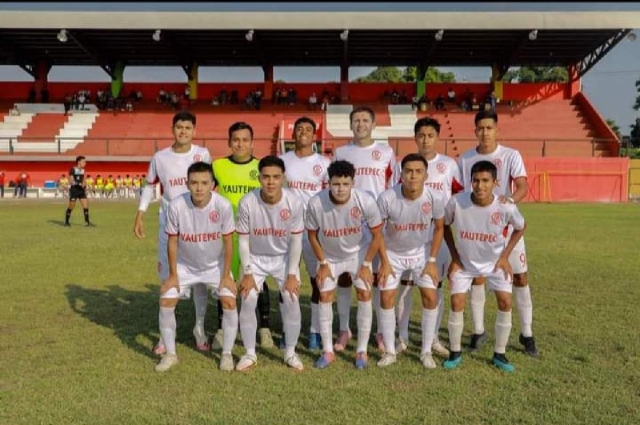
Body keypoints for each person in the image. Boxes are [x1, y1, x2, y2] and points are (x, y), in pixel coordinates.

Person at [458, 109, 538, 357]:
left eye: (489, 128)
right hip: (479, 231)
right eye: (480, 128)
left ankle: (527, 334)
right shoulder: (465, 159)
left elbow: (523, 186)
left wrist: (508, 202)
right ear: (475, 131)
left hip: (506, 227)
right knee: (477, 277)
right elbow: (464, 194)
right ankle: (478, 331)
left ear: (497, 129)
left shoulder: (511, 155)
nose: (484, 132)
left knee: (520, 278)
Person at [133, 111, 213, 355]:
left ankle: (199, 329)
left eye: (188, 127)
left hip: (197, 226)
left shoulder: (203, 154)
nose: (183, 131)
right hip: (168, 226)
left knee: (200, 279)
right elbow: (150, 186)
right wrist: (140, 213)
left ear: (194, 131)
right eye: (179, 127)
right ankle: (164, 336)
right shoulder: (160, 157)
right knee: (168, 278)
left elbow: (210, 186)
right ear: (173, 129)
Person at [154, 161, 238, 372]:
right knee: (166, 301)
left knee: (229, 301)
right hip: (185, 266)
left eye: (204, 183)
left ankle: (227, 354)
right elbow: (172, 242)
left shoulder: (223, 206)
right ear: (187, 183)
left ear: (212, 184)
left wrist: (227, 274)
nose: (199, 187)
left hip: (214, 266)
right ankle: (171, 354)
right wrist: (173, 275)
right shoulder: (176, 206)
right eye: (194, 183)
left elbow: (229, 242)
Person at [442, 160, 526, 372]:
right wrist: (454, 257)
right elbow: (444, 226)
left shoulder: (506, 205)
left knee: (505, 302)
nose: (480, 186)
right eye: (476, 181)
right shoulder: (456, 202)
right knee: (457, 302)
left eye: (485, 181)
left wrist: (505, 256)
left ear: (495, 183)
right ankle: (455, 351)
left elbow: (520, 227)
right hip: (464, 263)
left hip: (496, 262)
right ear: (471, 182)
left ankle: (500, 353)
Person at [305, 160, 389, 370]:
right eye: (336, 184)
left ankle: (361, 350)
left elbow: (377, 235)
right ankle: (328, 351)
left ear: (353, 182)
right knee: (325, 295)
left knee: (364, 293)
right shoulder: (316, 203)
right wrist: (322, 263)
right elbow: (313, 236)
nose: (340, 188)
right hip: (330, 257)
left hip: (358, 253)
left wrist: (367, 264)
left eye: (345, 184)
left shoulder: (365, 201)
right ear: (328, 183)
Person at [393, 117, 463, 358]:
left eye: (430, 135)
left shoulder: (449, 164)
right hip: (406, 235)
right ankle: (401, 337)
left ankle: (432, 338)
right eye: (421, 135)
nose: (425, 139)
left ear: (437, 137)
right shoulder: (403, 164)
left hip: (436, 234)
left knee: (435, 286)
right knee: (405, 288)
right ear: (415, 138)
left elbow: (457, 197)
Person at [333, 106, 396, 352]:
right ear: (351, 125)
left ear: (374, 124)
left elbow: (393, 186)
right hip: (350, 223)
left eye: (364, 120)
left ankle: (380, 331)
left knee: (379, 278)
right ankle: (345, 329)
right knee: (347, 277)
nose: (360, 124)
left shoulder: (386, 152)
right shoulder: (341, 152)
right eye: (356, 120)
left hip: (378, 224)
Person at [235, 156, 305, 371]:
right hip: (255, 258)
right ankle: (249, 353)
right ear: (260, 178)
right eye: (266, 177)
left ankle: (290, 353)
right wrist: (247, 272)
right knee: (247, 298)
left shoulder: (294, 202)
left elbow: (296, 241)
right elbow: (243, 241)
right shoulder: (248, 202)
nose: (271, 182)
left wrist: (292, 274)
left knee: (291, 298)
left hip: (283, 258)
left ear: (283, 178)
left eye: (276, 177)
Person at [376, 153, 445, 369]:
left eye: (418, 171)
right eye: (408, 171)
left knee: (430, 297)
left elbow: (440, 228)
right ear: (401, 174)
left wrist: (432, 259)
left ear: (426, 175)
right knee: (386, 297)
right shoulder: (387, 198)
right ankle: (389, 350)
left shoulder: (434, 197)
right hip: (392, 254)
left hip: (421, 253)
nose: (413, 176)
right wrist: (385, 262)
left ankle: (425, 351)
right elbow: (377, 232)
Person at [212, 122, 274, 349]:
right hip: (226, 234)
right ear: (229, 142)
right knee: (226, 278)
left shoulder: (261, 166)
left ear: (252, 142)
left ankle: (264, 329)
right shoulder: (217, 166)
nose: (240, 144)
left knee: (258, 279)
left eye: (245, 140)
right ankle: (222, 328)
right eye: (236, 139)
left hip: (255, 234)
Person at [279, 116, 331, 350]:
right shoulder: (282, 161)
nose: (303, 132)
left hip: (313, 229)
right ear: (293, 134)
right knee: (286, 279)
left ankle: (314, 330)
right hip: (286, 228)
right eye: (299, 129)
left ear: (314, 135)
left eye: (308, 129)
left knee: (317, 280)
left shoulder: (325, 162)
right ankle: (287, 330)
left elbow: (329, 197)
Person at [64, 156, 93, 227]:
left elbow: (83, 180)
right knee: (71, 206)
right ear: (79, 162)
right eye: (84, 161)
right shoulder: (73, 169)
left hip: (81, 190)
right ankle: (67, 221)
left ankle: (87, 222)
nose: (85, 163)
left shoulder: (83, 170)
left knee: (86, 206)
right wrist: (78, 184)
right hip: (74, 190)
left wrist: (85, 186)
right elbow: (71, 181)